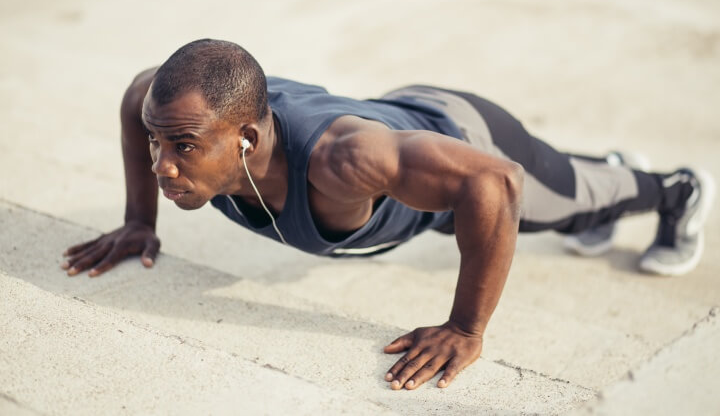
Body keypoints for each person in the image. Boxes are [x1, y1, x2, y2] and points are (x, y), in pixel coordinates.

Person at [62, 39, 716, 390]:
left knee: (559, 200)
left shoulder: (341, 162)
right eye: (157, 142)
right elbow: (136, 95)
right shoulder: (177, 114)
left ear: (247, 141)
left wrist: (465, 327)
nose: (161, 164)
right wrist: (139, 220)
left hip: (467, 134)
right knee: (570, 191)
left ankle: (676, 191)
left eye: (181, 148)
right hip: (401, 129)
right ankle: (596, 179)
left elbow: (496, 181)